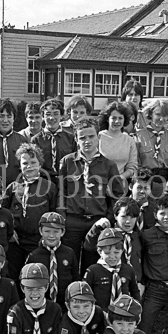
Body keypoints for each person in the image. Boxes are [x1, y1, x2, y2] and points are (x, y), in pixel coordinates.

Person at [58, 117, 125, 274]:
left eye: (91, 136)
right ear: (76, 139)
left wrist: (108, 218)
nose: (87, 141)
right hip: (72, 220)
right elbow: (61, 191)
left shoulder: (109, 165)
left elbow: (117, 196)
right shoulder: (67, 162)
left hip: (97, 221)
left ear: (98, 137)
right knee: (69, 263)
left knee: (93, 265)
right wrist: (63, 218)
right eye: (82, 137)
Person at [3, 143, 57, 279]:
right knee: (14, 272)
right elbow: (3, 212)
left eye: (33, 162)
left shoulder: (49, 186)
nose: (29, 166)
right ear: (20, 165)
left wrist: (47, 234)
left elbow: (54, 212)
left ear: (40, 164)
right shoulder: (13, 187)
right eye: (25, 163)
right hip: (15, 239)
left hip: (37, 239)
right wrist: (9, 230)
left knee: (34, 274)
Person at [138, 197, 168, 334]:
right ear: (155, 215)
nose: (166, 217)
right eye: (162, 213)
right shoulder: (147, 236)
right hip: (156, 288)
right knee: (144, 327)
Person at [84, 197, 143, 285]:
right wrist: (96, 228)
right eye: (124, 216)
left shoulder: (138, 237)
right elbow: (89, 246)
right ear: (115, 216)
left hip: (133, 285)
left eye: (132, 217)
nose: (128, 221)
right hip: (109, 284)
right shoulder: (106, 234)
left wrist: (141, 282)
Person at [25, 212, 78, 307]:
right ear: (40, 231)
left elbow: (75, 278)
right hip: (42, 304)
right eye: (47, 231)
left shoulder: (69, 253)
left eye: (56, 231)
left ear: (63, 232)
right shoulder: (33, 256)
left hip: (65, 304)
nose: (51, 235)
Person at [84, 228, 140, 311]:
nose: (112, 256)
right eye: (107, 253)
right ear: (99, 252)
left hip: (123, 317)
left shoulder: (128, 270)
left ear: (122, 251)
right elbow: (86, 295)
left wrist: (135, 310)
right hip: (100, 315)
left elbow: (134, 291)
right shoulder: (92, 271)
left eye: (116, 252)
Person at [32, 97, 75, 183]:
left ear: (61, 116)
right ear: (43, 117)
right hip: (43, 181)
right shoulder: (36, 140)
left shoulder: (71, 138)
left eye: (55, 114)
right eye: (48, 114)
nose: (51, 118)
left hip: (66, 181)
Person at [136, 98, 168, 182]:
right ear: (150, 114)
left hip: (165, 179)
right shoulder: (138, 136)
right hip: (144, 178)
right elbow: (135, 162)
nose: (161, 119)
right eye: (158, 114)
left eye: (165, 115)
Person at [98, 101, 138, 182]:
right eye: (113, 118)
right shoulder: (99, 137)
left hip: (120, 184)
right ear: (107, 119)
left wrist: (120, 178)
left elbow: (132, 166)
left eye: (120, 118)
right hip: (99, 182)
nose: (117, 121)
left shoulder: (129, 140)